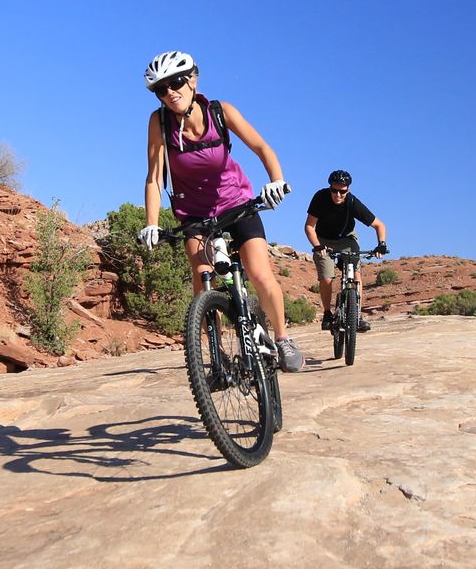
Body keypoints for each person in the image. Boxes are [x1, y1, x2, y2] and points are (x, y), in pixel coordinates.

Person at [136, 51, 305, 373]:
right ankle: (216, 355)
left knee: (258, 272)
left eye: (177, 83)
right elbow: (154, 177)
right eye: (161, 89)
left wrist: (277, 181)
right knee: (203, 279)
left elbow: (261, 147)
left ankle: (282, 338)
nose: (170, 92)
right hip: (193, 213)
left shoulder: (220, 112)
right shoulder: (158, 122)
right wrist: (152, 224)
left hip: (237, 203)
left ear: (193, 80)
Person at [305, 169, 388, 332]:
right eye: (334, 190)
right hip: (323, 241)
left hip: (347, 239)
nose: (338, 195)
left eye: (342, 191)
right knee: (326, 277)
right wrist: (317, 245)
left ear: (348, 189)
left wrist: (381, 244)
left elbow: (379, 225)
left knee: (356, 276)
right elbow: (309, 226)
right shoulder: (320, 198)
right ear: (330, 188)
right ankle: (328, 314)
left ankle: (356, 315)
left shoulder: (352, 203)